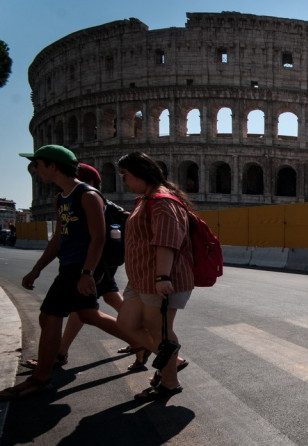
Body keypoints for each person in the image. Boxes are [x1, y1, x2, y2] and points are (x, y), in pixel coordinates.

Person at [1, 146, 134, 401]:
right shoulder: (61, 198)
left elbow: (98, 238)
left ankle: (41, 378)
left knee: (50, 315)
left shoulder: (87, 195)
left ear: (53, 166)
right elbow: (58, 240)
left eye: (38, 164)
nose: (35, 170)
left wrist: (87, 273)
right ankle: (145, 343)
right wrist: (37, 268)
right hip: (71, 265)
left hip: (80, 268)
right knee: (88, 314)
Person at [115, 152, 194, 400]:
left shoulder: (163, 202)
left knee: (159, 331)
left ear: (140, 174)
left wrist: (162, 278)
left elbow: (166, 243)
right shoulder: (146, 200)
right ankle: (173, 359)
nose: (124, 181)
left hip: (158, 279)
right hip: (140, 278)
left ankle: (169, 382)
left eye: (126, 176)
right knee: (126, 325)